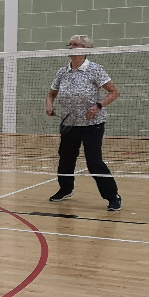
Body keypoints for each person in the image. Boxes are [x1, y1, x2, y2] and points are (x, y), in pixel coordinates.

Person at [45, 35, 122, 210]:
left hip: (92, 125)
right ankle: (66, 189)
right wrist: (49, 104)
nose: (70, 47)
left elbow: (114, 92)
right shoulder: (62, 72)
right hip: (69, 123)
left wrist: (99, 106)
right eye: (70, 44)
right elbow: (51, 94)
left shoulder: (95, 69)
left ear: (85, 49)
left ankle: (113, 196)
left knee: (94, 162)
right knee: (66, 159)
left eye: (75, 44)